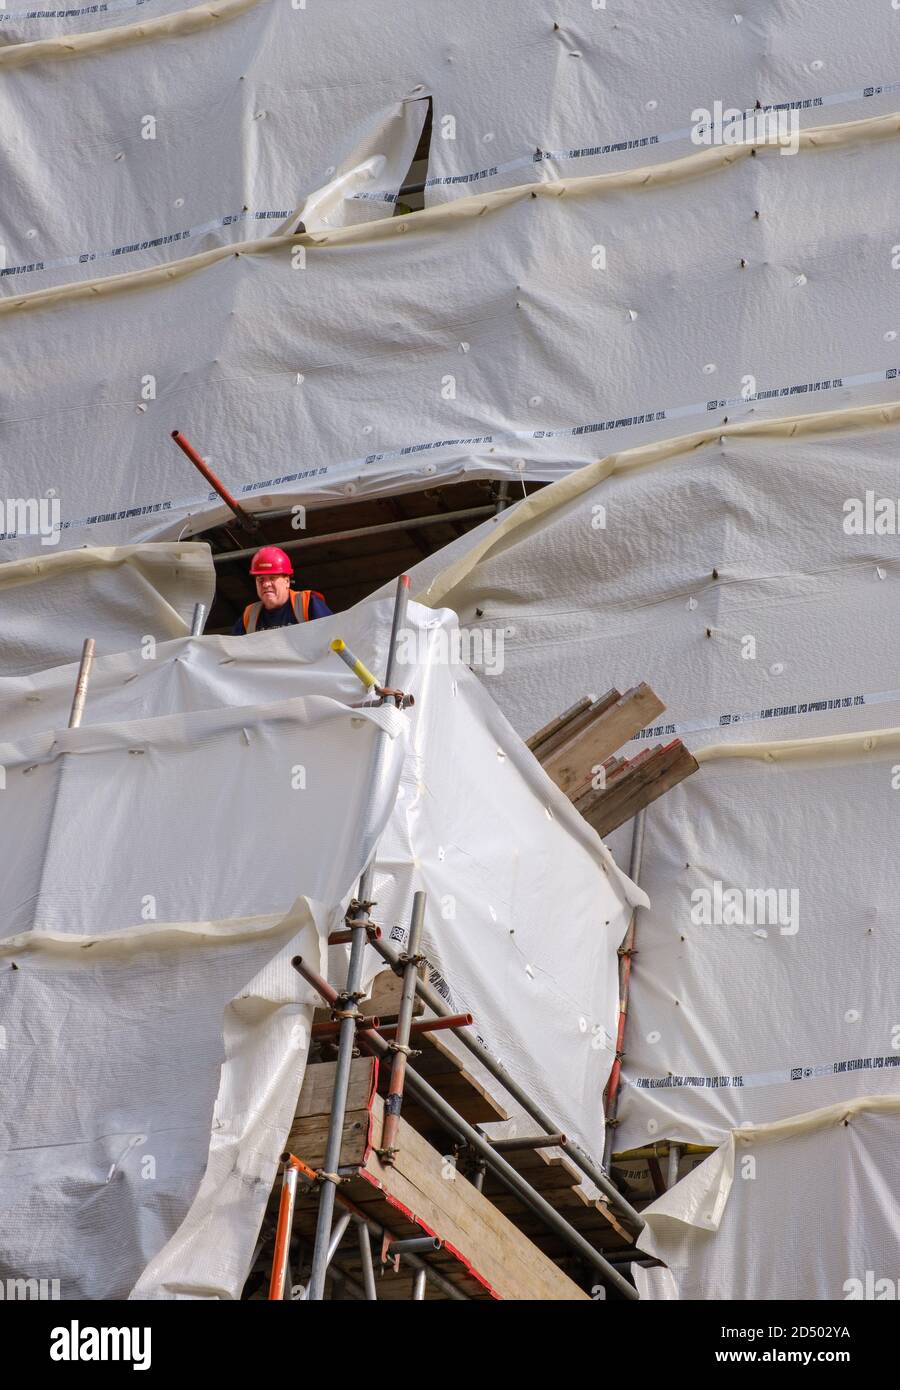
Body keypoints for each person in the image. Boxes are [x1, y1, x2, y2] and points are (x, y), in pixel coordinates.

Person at [231, 546, 332, 633]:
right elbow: (233, 650)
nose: (266, 584)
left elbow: (331, 636)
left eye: (272, 578)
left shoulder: (307, 603)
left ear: (287, 581)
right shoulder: (249, 616)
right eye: (261, 579)